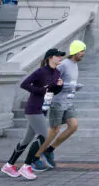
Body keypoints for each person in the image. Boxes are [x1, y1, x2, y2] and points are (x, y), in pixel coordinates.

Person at [1, 48, 65, 180]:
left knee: (27, 139)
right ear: (50, 57)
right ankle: (26, 166)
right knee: (43, 135)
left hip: (43, 108)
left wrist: (59, 86)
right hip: (33, 108)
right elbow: (24, 84)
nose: (60, 58)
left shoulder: (57, 72)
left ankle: (9, 165)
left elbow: (52, 92)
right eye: (58, 56)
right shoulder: (41, 72)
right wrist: (40, 90)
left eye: (61, 56)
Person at [36, 39, 87, 170]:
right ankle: (35, 157)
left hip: (68, 101)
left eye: (84, 51)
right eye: (81, 51)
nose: (83, 53)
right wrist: (64, 86)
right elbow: (51, 80)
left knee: (73, 126)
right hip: (57, 101)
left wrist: (74, 87)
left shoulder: (75, 64)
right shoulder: (63, 64)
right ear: (75, 51)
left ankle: (49, 150)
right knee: (54, 130)